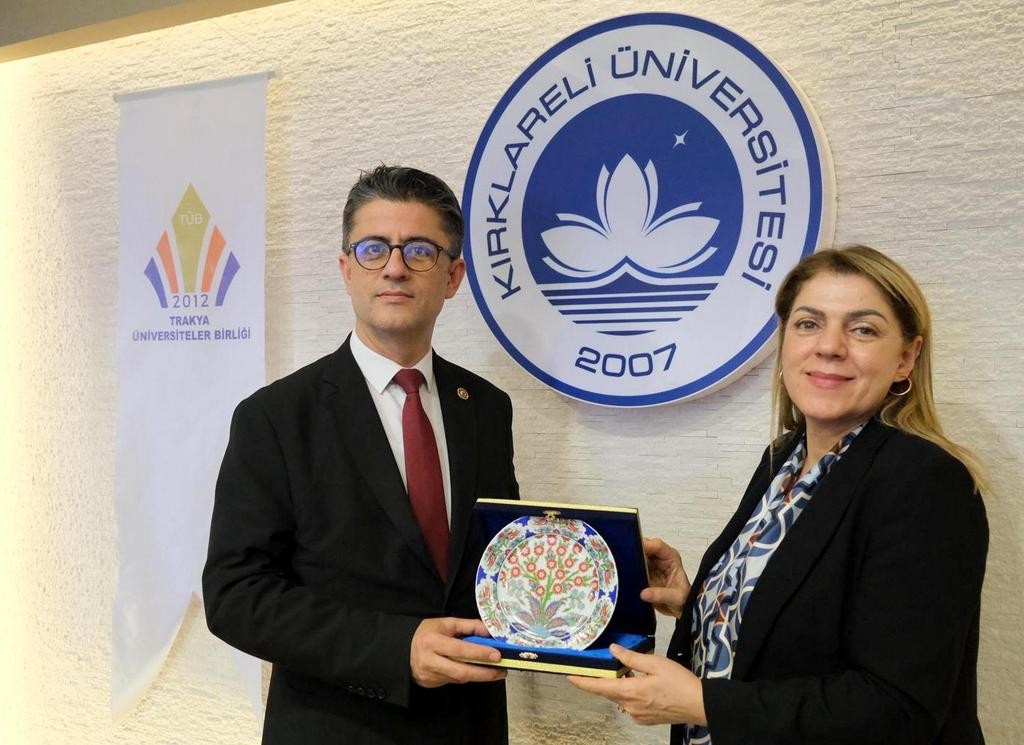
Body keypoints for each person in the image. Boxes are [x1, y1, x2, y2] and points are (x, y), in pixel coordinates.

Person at [570, 245, 988, 745]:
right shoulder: (784, 460)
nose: (829, 346)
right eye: (809, 323)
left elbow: (898, 709)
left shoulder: (926, 482)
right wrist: (704, 603)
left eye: (863, 329)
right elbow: (807, 626)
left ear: (906, 358)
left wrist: (700, 702)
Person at [203, 165, 519, 744]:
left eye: (420, 250)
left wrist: (603, 566)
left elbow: (500, 561)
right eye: (374, 249)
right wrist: (397, 649)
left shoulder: (487, 409)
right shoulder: (275, 417)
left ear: (453, 277)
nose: (395, 267)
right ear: (347, 269)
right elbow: (236, 596)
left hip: (470, 727)